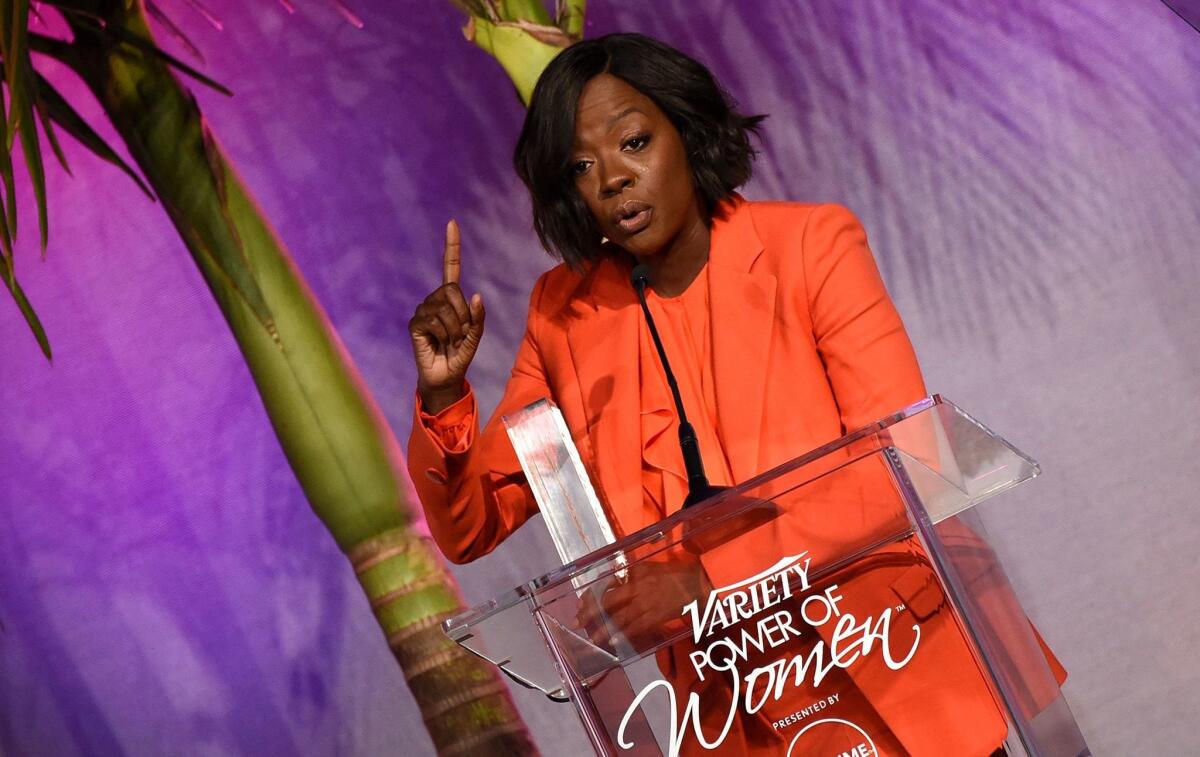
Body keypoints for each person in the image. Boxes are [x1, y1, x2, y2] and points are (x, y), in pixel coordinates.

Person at [407, 33, 1061, 756]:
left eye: (633, 142)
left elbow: (899, 469)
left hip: (892, 661)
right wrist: (443, 399)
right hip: (734, 711)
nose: (613, 179)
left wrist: (708, 581)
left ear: (686, 132)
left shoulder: (810, 245)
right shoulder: (564, 316)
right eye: (582, 166)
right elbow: (472, 526)